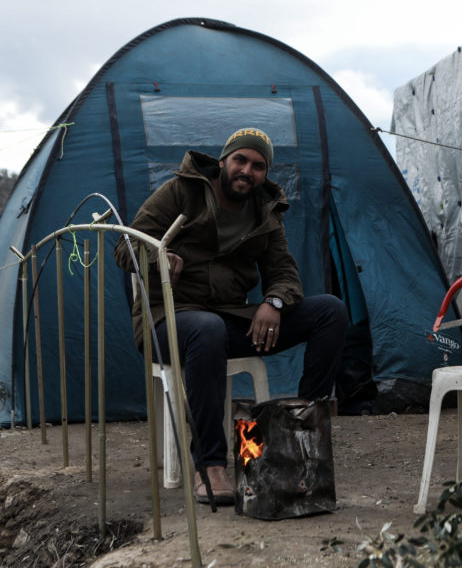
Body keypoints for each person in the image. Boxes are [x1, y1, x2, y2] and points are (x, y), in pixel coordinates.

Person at [115, 127, 346, 505]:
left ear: (264, 174)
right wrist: (156, 255)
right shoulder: (181, 190)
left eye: (258, 166)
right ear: (223, 161)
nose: (247, 171)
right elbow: (125, 248)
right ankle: (209, 465)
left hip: (229, 319)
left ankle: (300, 436)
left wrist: (273, 302)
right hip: (169, 319)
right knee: (207, 329)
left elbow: (284, 272)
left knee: (330, 312)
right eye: (240, 160)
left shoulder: (265, 213)